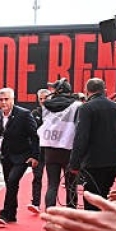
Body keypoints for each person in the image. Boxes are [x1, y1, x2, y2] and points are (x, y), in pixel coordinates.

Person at [0, 88, 39, 226]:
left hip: (23, 156)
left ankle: (4, 213)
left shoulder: (24, 114)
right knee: (10, 184)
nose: (4, 102)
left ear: (13, 100)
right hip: (6, 156)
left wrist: (35, 156)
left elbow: (34, 136)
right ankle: (12, 214)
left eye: (6, 99)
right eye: (1, 99)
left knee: (13, 181)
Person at [68, 78, 116, 211]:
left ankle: (93, 228)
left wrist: (74, 163)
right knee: (103, 194)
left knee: (91, 198)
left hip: (94, 162)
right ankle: (102, 224)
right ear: (104, 91)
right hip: (115, 160)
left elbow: (81, 137)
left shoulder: (86, 108)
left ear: (86, 91)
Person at [38, 82, 80, 210]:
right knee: (71, 186)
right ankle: (71, 218)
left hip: (50, 149)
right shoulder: (77, 105)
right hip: (69, 149)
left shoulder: (46, 105)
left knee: (52, 185)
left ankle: (50, 216)